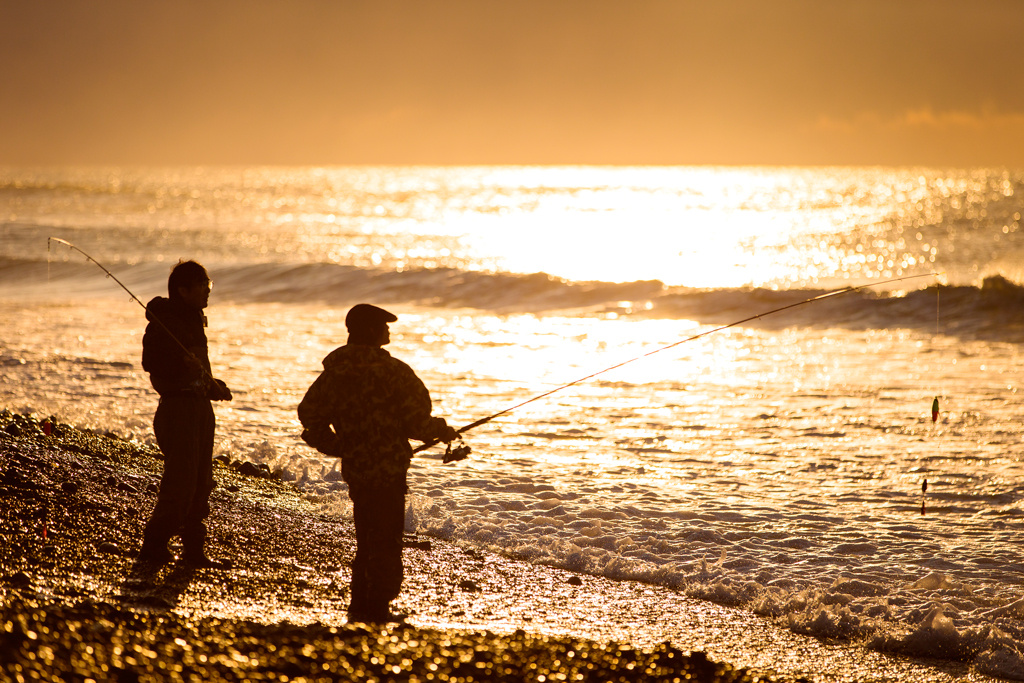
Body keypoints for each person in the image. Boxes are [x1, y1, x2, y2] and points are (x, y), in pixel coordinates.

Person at [298, 303, 458, 623]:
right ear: (371, 330)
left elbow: (310, 419)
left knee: (365, 535)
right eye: (384, 326)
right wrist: (442, 431)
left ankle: (360, 603)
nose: (389, 331)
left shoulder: (335, 371)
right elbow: (417, 423)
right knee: (385, 538)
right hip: (388, 469)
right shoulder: (395, 372)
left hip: (356, 469)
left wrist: (342, 447)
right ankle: (377, 608)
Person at [137, 260, 233, 569]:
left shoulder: (193, 319)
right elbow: (151, 364)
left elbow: (197, 370)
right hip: (177, 410)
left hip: (199, 408)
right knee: (181, 482)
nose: (208, 291)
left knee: (202, 481)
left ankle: (194, 551)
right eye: (204, 286)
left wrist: (211, 385)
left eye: (209, 285)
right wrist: (182, 365)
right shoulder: (163, 322)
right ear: (183, 290)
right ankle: (154, 545)